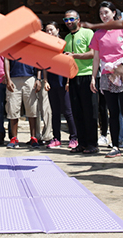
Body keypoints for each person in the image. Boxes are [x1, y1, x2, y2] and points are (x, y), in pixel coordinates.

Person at [89, 2, 123, 158]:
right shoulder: (98, 34)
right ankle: (116, 145)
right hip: (106, 75)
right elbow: (96, 57)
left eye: (106, 12)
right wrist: (93, 77)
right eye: (101, 14)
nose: (104, 16)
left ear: (113, 13)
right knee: (113, 112)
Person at [63, 10, 98, 154]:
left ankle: (92, 144)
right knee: (77, 112)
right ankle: (81, 143)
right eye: (66, 20)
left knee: (90, 111)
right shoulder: (66, 38)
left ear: (78, 19)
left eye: (71, 19)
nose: (69, 22)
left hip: (87, 75)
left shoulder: (88, 33)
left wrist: (74, 55)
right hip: (72, 77)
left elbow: (93, 53)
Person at [42, 21, 77, 149]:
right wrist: (45, 80)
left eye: (51, 29)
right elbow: (44, 64)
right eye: (47, 30)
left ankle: (74, 137)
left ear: (57, 30)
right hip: (51, 81)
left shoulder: (64, 43)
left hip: (63, 80)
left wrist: (68, 81)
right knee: (54, 112)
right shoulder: (45, 46)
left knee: (68, 111)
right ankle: (56, 138)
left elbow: (68, 61)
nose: (49, 32)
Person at [4, 58, 41, 149]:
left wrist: (38, 79)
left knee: (32, 109)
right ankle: (14, 138)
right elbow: (6, 60)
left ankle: (33, 137)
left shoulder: (31, 45)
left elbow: (39, 60)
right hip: (14, 78)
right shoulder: (10, 45)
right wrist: (8, 79)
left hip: (30, 78)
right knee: (13, 108)